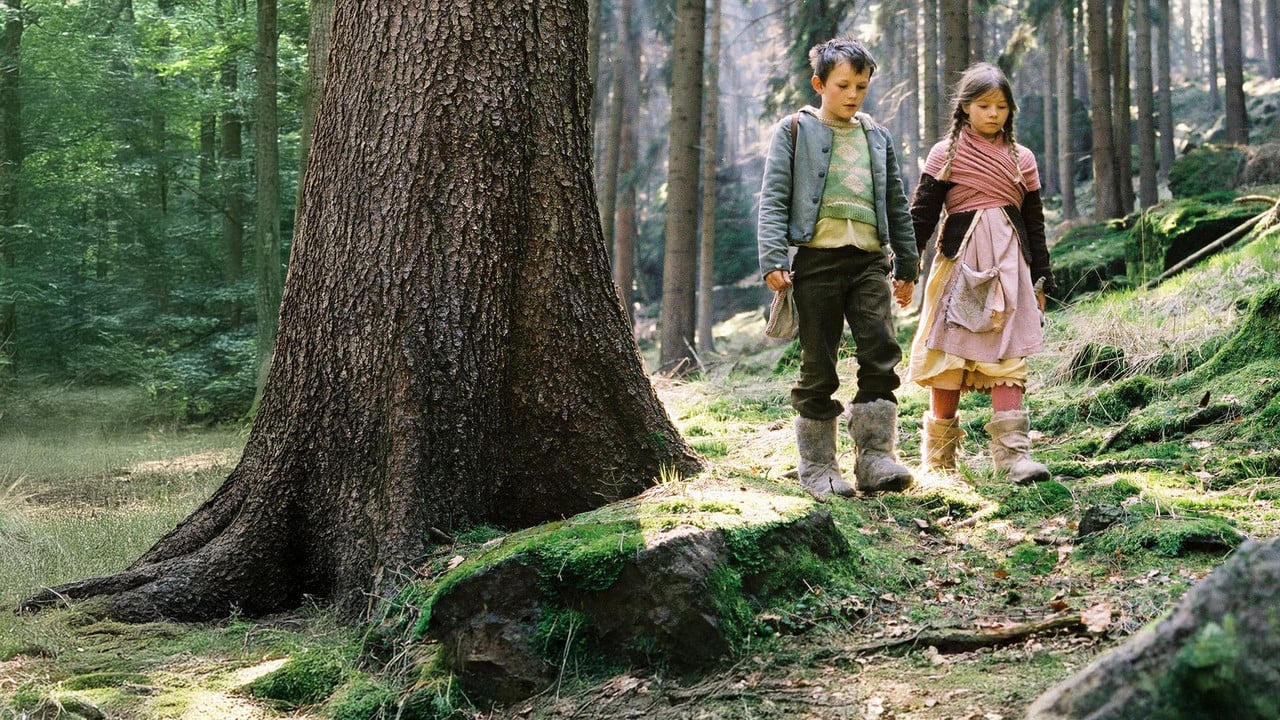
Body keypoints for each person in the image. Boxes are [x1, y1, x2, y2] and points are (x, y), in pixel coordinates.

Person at [757, 36, 919, 501]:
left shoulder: (877, 136)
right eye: (843, 85)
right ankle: (818, 466)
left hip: (870, 261)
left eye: (861, 86)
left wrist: (907, 264)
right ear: (819, 84)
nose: (852, 95)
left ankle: (875, 458)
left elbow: (895, 203)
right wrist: (772, 257)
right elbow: (773, 198)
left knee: (880, 351)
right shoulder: (793, 130)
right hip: (816, 263)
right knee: (818, 363)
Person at [906, 62, 1055, 484]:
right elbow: (922, 216)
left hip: (1010, 264)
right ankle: (938, 461)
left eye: (1002, 107)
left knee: (1009, 353)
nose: (993, 114)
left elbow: (1035, 223)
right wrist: (905, 267)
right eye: (984, 105)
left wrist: (1042, 277)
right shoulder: (945, 154)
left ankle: (1012, 458)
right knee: (948, 354)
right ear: (965, 108)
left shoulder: (1021, 159)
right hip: (960, 266)